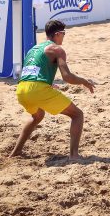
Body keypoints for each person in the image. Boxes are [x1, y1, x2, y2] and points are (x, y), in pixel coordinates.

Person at [9, 20, 96, 160]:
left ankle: (15, 152)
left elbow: (32, 71)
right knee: (77, 115)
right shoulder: (57, 49)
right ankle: (74, 155)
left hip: (21, 89)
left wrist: (47, 84)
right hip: (36, 89)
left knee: (37, 116)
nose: (64, 36)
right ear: (57, 34)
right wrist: (84, 81)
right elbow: (67, 77)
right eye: (63, 33)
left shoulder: (34, 49)